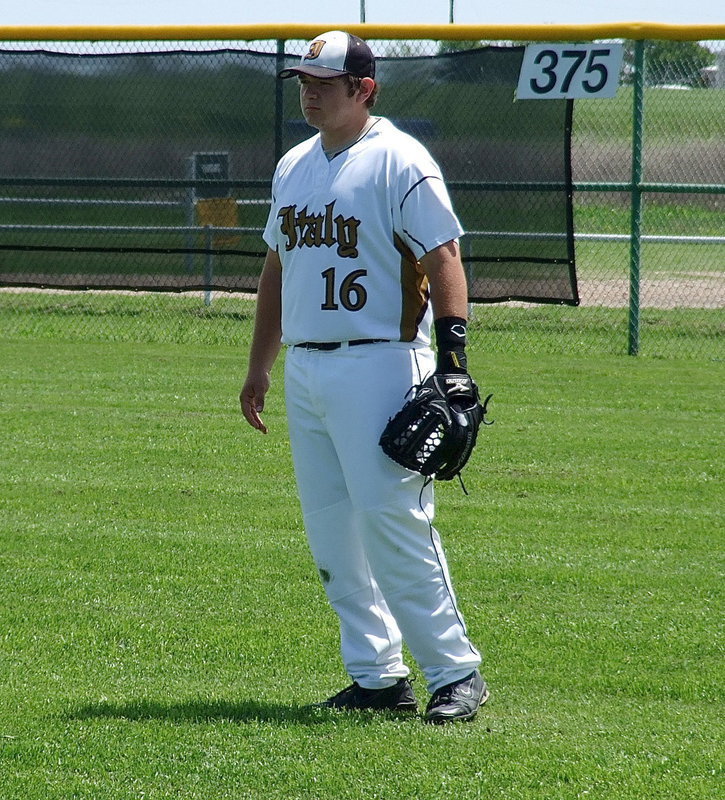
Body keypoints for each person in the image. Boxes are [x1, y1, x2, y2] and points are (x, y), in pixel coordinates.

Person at [240, 30, 488, 723]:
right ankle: (377, 677)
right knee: (331, 536)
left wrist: (454, 364)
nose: (310, 93)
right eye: (303, 82)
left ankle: (454, 672)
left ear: (363, 89)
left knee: (394, 522)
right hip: (309, 368)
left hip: (381, 359)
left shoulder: (399, 160)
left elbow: (444, 258)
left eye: (324, 82)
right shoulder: (293, 165)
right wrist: (258, 366)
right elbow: (276, 269)